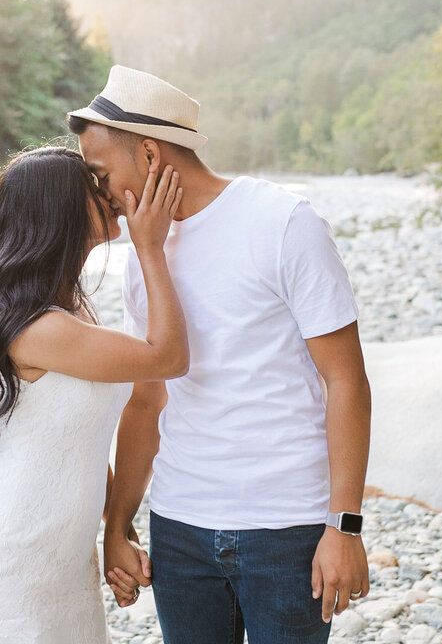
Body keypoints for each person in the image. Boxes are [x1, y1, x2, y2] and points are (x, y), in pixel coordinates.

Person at [67, 66, 372, 644]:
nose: (98, 192)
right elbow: (146, 402)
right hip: (180, 527)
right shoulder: (144, 258)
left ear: (152, 154)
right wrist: (118, 523)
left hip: (287, 527)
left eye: (101, 173)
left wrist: (344, 526)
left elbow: (347, 381)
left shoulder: (284, 224)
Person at [0, 145, 189, 644]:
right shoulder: (41, 328)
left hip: (63, 559)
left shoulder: (69, 314)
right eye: (94, 187)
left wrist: (115, 528)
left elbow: (73, 438)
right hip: (13, 560)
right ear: (57, 208)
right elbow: (169, 358)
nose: (110, 195)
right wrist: (150, 248)